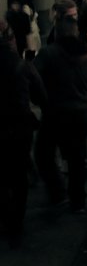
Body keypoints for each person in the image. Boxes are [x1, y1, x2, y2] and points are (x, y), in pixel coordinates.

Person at [34, 16, 87, 213]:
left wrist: (42, 101)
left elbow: (35, 82)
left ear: (57, 32)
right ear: (76, 32)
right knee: (77, 158)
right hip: (81, 114)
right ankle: (78, 201)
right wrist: (86, 100)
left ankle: (58, 193)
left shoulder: (48, 54)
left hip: (55, 113)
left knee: (44, 154)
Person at [0, 20, 47, 246]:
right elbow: (40, 95)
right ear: (10, 38)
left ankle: (5, 213)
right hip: (19, 127)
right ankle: (16, 222)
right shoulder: (21, 65)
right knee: (18, 176)